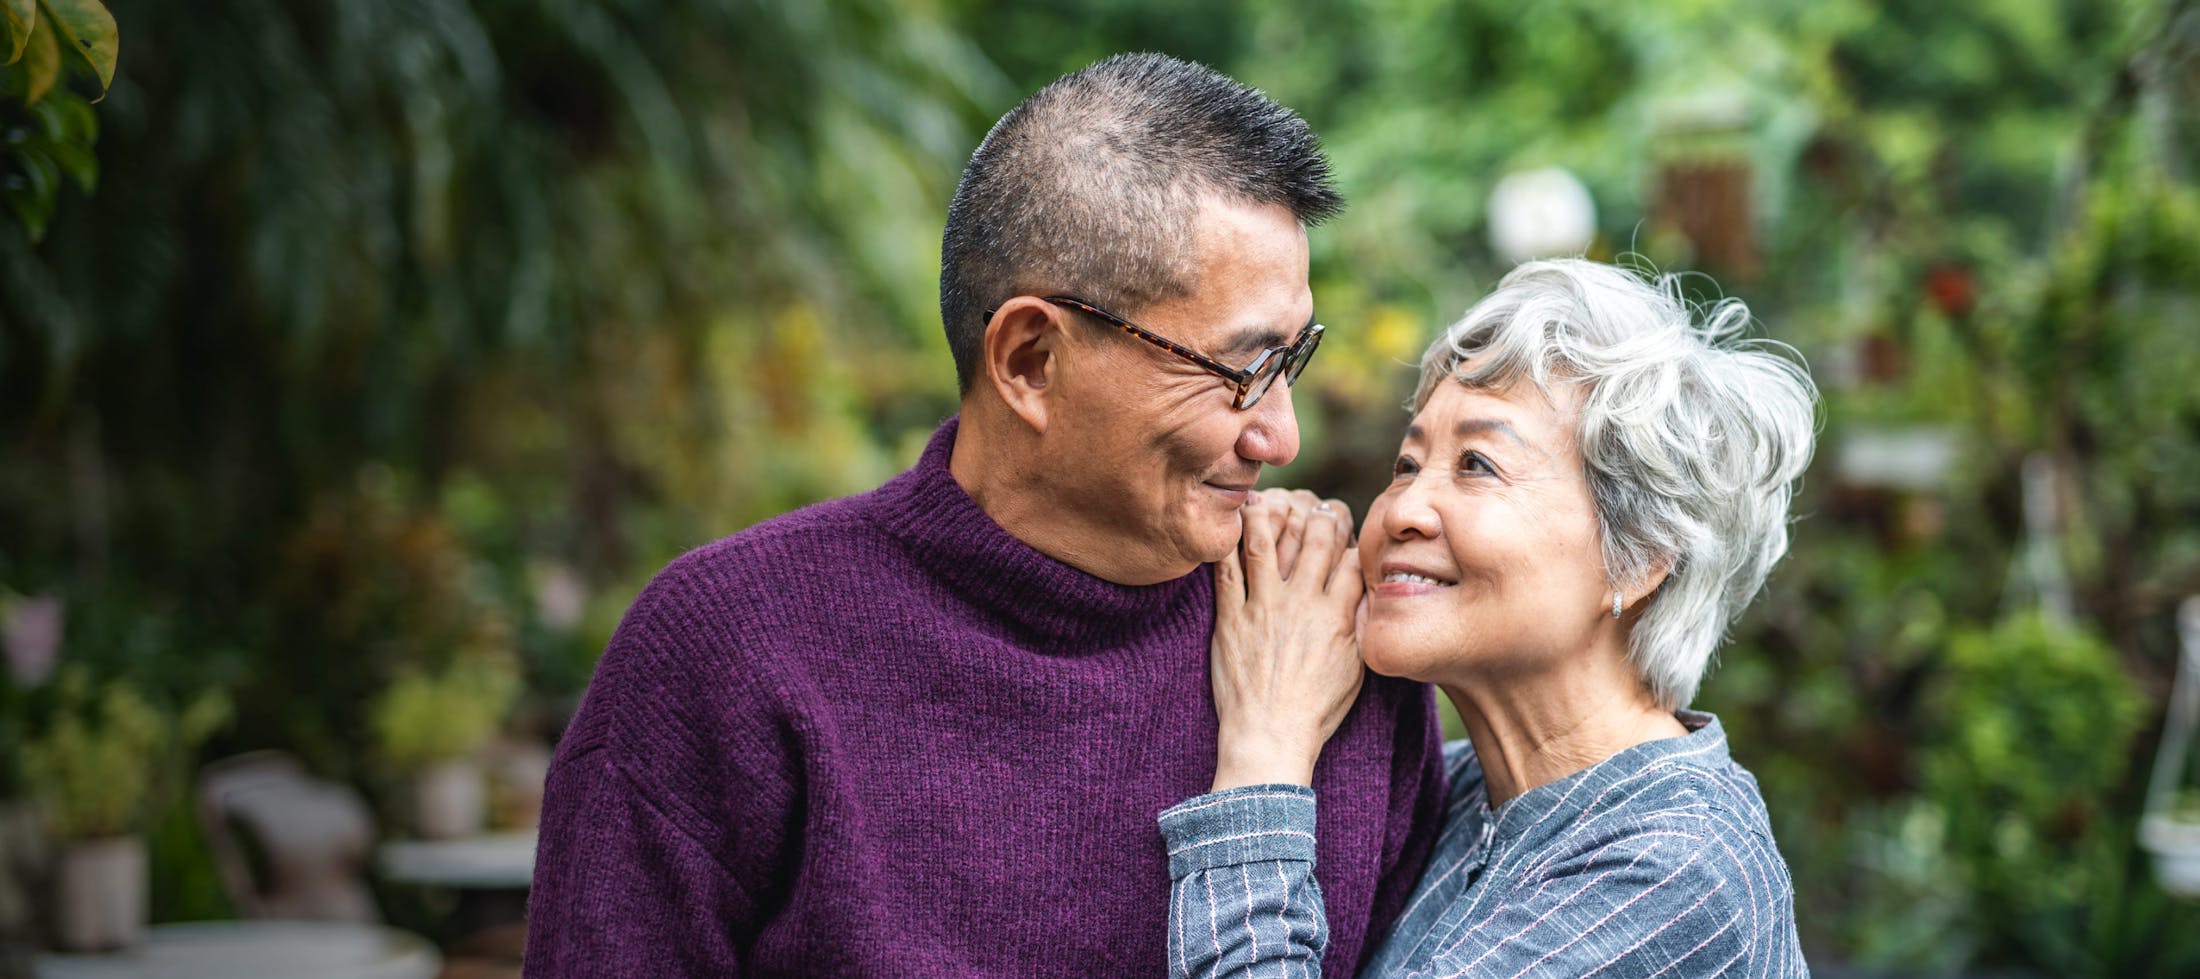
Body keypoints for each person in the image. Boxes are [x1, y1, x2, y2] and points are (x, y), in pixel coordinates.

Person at [523, 53, 1446, 977]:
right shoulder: (728, 649)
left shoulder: (1324, 636)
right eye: (1242, 371)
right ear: (1032, 360)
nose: (1280, 436)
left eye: (1292, 361)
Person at [1161, 259, 1816, 977]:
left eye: (1477, 464)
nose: (1401, 511)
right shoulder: (1465, 793)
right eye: (1407, 464)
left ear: (1639, 556)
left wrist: (1264, 751)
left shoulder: (1676, 868)